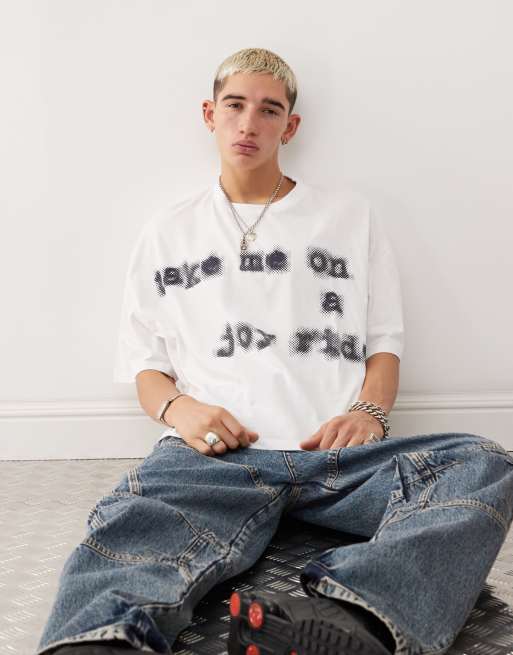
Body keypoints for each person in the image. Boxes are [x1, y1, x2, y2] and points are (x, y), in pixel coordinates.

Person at [36, 47, 513, 655]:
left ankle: (354, 620)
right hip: (214, 460)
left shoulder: (348, 216)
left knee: (480, 464)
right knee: (132, 526)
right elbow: (146, 365)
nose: (249, 123)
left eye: (269, 110)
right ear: (209, 114)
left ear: (290, 126)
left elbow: (384, 344)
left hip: (336, 461)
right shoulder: (169, 229)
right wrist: (182, 410)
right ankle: (99, 644)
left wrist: (368, 412)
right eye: (235, 106)